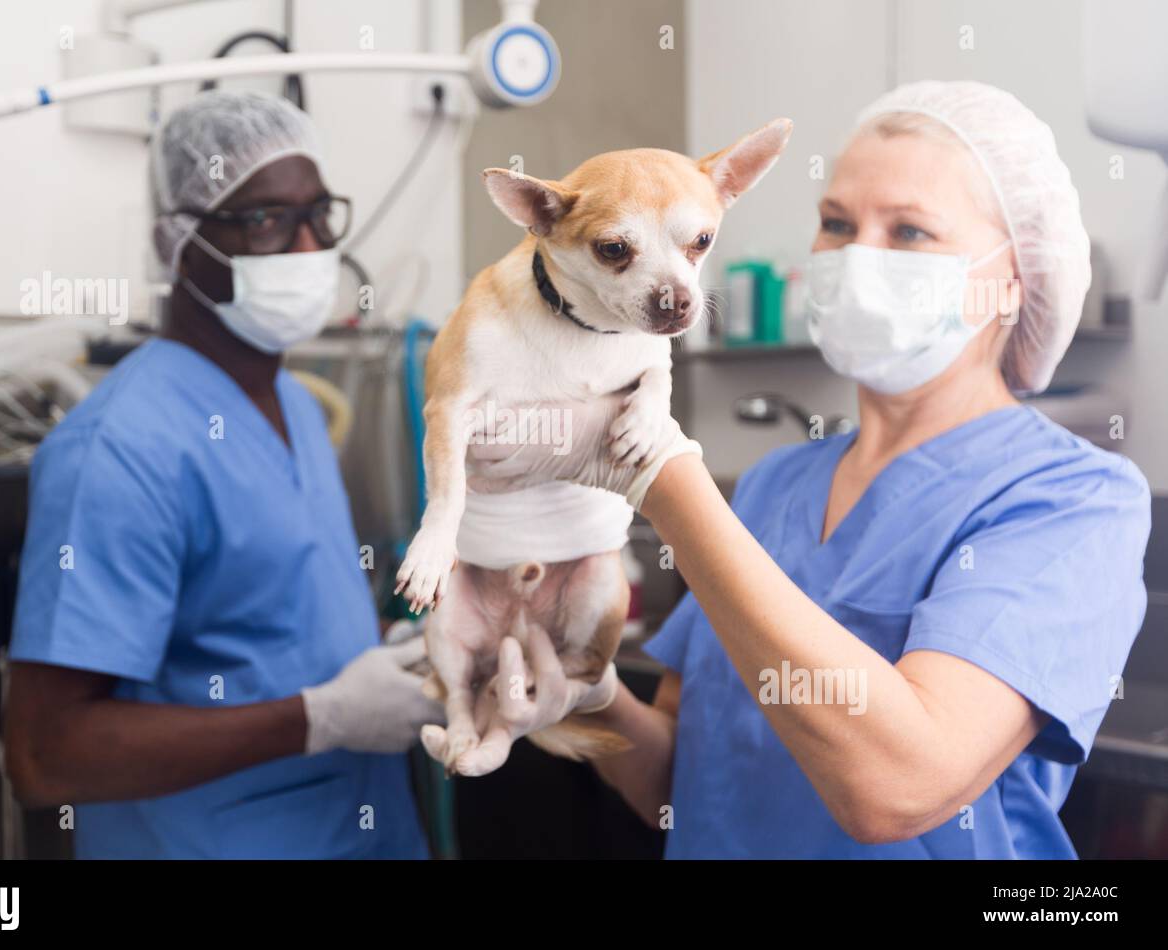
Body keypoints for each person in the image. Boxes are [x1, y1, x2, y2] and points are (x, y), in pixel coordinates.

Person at [470, 80, 1151, 858]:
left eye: (910, 232)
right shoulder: (773, 485)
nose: (858, 256)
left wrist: (663, 478)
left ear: (1012, 277)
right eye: (836, 223)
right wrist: (590, 701)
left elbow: (897, 792)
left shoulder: (1073, 502)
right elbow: (686, 787)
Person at [3, 91, 441, 859]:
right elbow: (46, 756)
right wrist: (320, 718)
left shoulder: (295, 409)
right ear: (179, 241)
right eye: (267, 220)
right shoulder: (121, 448)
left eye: (320, 215)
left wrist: (407, 648)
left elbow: (267, 624)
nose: (309, 248)